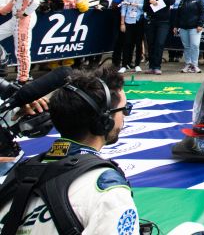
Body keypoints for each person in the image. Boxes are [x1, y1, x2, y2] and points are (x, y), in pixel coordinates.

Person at [0, 66, 139, 233]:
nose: (125, 117)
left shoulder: (18, 175)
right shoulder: (108, 189)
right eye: (125, 110)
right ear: (105, 120)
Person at [0, 0, 38, 83]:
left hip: (24, 20)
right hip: (15, 19)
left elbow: (35, 2)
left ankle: (22, 79)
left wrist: (25, 14)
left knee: (22, 49)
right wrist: (4, 10)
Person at [172, 0, 204, 74]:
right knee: (186, 46)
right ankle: (188, 64)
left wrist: (200, 24)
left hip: (195, 27)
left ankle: (195, 65)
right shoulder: (182, 1)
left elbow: (203, 13)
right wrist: (176, 26)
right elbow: (178, 14)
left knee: (194, 45)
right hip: (183, 27)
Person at [143, 0, 174, 76]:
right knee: (151, 44)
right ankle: (151, 66)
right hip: (151, 21)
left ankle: (157, 66)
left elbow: (171, 2)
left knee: (159, 43)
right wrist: (150, 3)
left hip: (163, 22)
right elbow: (144, 8)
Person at [117, 0, 146, 73]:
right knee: (127, 43)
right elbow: (124, 7)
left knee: (138, 43)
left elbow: (146, 6)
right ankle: (124, 64)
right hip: (129, 20)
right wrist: (122, 22)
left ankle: (137, 64)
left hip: (140, 19)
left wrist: (136, 5)